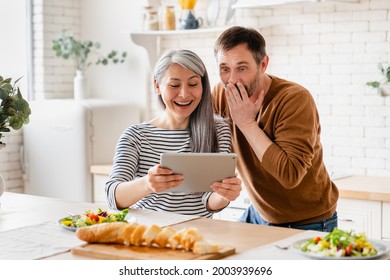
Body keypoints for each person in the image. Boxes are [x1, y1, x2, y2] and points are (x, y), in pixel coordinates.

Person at [211, 26, 339, 232]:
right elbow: (208, 146)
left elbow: (290, 175)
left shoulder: (294, 99)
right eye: (224, 69)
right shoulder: (221, 92)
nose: (232, 80)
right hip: (259, 212)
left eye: (241, 68)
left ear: (263, 64)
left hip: (307, 221)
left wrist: (246, 123)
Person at [106, 49, 242, 218]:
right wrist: (147, 184)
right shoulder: (136, 136)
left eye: (193, 84)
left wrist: (224, 194)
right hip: (148, 235)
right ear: (157, 86)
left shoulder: (217, 129)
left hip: (197, 236)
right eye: (174, 85)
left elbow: (209, 200)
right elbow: (112, 195)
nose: (184, 94)